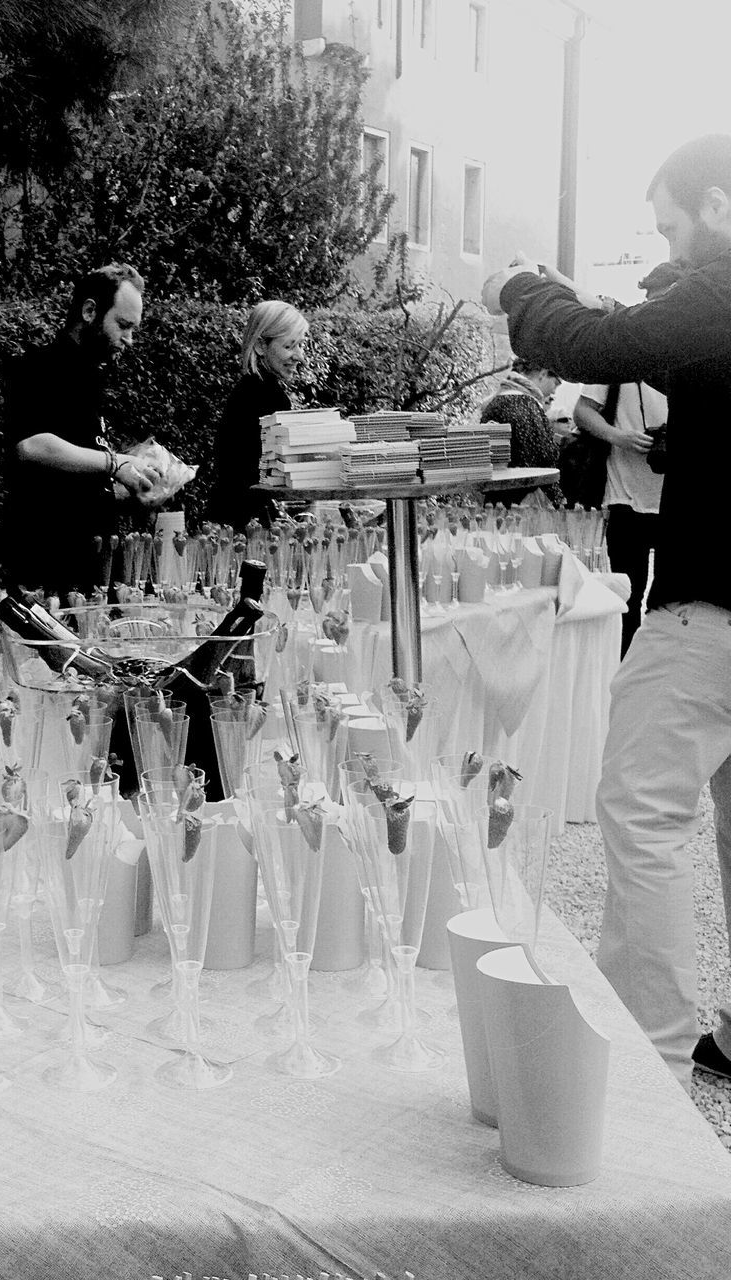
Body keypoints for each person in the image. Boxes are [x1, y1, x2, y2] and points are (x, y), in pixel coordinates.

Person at [482, 132, 731, 1092]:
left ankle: (647, 1068)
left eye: (673, 221)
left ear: (716, 204)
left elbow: (593, 343)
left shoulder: (718, 297)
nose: (667, 241)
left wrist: (522, 290)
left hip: (710, 607)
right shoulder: (709, 301)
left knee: (641, 811)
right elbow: (657, 313)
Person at [0, 263, 161, 601]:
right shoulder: (39, 367)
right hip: (48, 566)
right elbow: (31, 445)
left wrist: (132, 476)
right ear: (90, 311)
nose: (130, 339)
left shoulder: (91, 375)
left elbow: (84, 466)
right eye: (123, 325)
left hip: (90, 566)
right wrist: (115, 463)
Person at [572, 262, 685, 655]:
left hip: (677, 498)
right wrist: (619, 436)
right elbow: (582, 410)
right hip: (624, 497)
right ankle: (619, 671)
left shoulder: (696, 347)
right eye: (654, 302)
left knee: (670, 605)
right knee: (626, 598)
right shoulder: (626, 345)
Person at [209, 299, 308, 529]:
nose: (299, 356)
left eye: (301, 345)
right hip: (247, 530)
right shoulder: (265, 397)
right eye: (289, 346)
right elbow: (260, 476)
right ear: (261, 346)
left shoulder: (252, 390)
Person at [478, 358, 565, 506]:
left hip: (494, 497)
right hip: (521, 502)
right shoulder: (527, 406)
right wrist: (557, 499)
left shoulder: (496, 402)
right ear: (542, 374)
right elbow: (542, 459)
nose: (554, 390)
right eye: (556, 383)